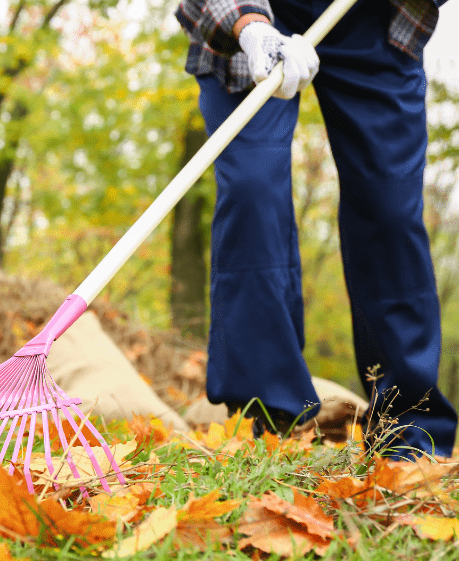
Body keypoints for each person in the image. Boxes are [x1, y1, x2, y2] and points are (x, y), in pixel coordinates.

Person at [174, 0, 457, 457]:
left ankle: (410, 432)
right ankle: (266, 417)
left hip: (374, 20)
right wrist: (249, 28)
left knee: (389, 211)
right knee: (252, 190)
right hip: (259, 14)